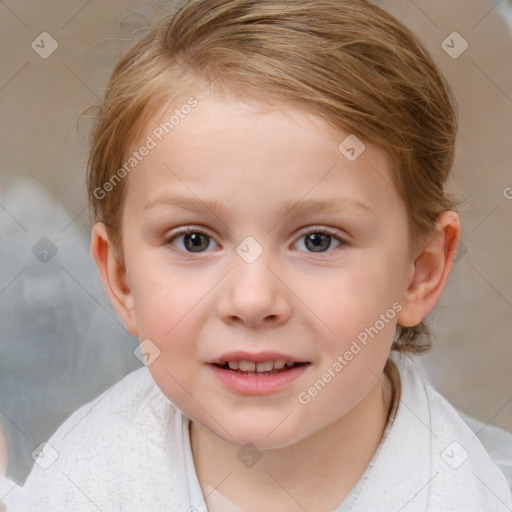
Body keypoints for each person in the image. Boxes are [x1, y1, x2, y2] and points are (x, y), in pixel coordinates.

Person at [2, 0, 511, 510]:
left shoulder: (478, 491)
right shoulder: (75, 485)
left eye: (318, 240)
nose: (252, 299)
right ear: (122, 278)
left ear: (419, 274)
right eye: (194, 240)